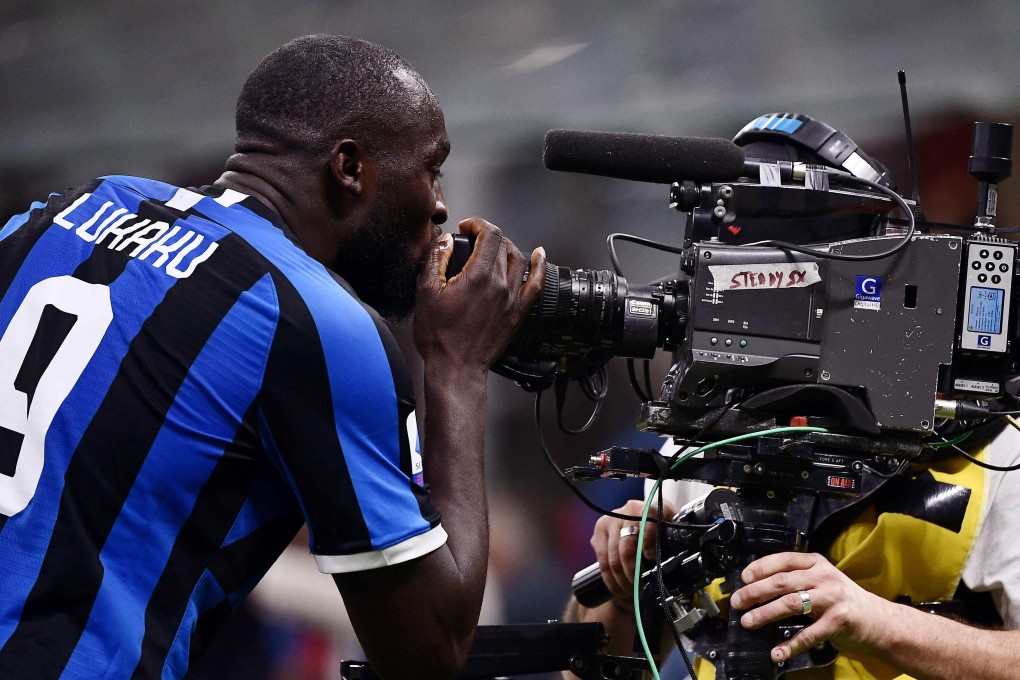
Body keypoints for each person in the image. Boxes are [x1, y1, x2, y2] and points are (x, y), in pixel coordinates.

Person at [0, 34, 545, 680]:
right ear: (350, 169)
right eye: (431, 168)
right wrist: (457, 367)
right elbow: (429, 653)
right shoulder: (314, 321)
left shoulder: (55, 213)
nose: (440, 205)